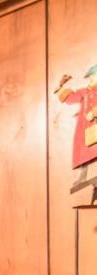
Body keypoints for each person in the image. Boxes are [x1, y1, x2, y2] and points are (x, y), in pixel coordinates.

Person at [56, 66, 97, 200]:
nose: (91, 79)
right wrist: (64, 87)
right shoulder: (85, 92)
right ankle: (83, 177)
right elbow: (69, 98)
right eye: (90, 77)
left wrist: (94, 112)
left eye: (93, 76)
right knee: (85, 155)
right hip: (85, 131)